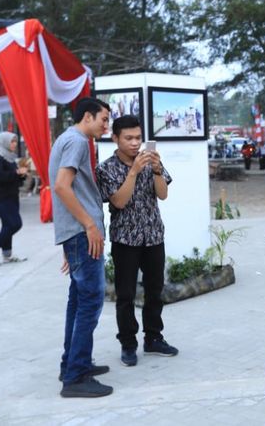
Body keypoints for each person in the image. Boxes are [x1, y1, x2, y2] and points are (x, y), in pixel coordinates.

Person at [96, 115, 178, 367]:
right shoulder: (106, 168)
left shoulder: (150, 160)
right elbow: (118, 202)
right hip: (125, 240)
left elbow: (163, 195)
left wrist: (155, 170)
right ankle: (128, 344)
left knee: (155, 291)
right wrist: (133, 172)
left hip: (153, 236)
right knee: (126, 295)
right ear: (115, 139)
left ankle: (153, 338)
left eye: (138, 138)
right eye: (128, 138)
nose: (134, 143)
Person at [49, 97, 113, 398]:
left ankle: (74, 364)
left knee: (78, 301)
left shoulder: (66, 138)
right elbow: (62, 186)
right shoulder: (76, 141)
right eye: (103, 119)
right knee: (90, 302)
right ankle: (75, 377)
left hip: (74, 233)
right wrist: (88, 225)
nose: (106, 125)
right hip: (82, 233)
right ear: (87, 116)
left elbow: (63, 187)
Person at [0, 132, 28, 265]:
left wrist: (21, 175)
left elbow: (13, 177)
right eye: (12, 141)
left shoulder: (10, 158)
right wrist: (16, 172)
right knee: (15, 223)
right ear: (4, 142)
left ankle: (7, 254)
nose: (14, 144)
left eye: (15, 141)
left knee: (7, 224)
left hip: (11, 197)